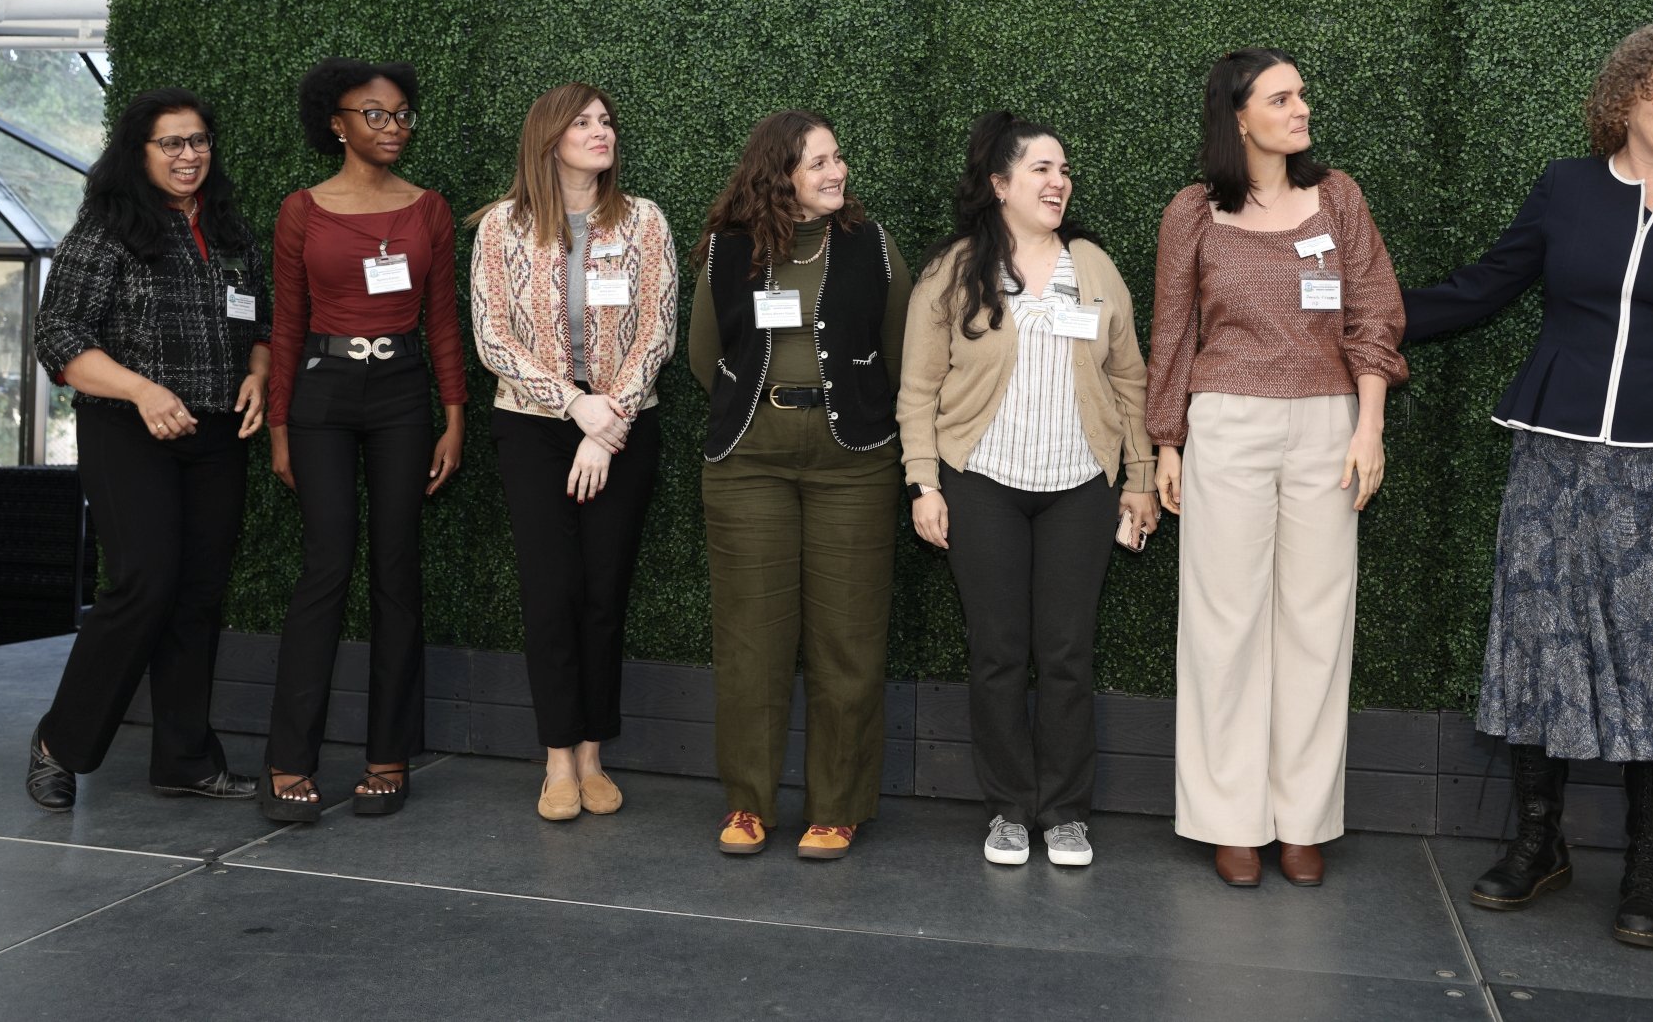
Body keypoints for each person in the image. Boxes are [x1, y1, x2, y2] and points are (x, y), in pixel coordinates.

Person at [1402, 23, 1653, 948]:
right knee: (1542, 638)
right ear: (1623, 97)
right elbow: (1481, 287)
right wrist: (1360, 315)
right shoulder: (1566, 188)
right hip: (1556, 459)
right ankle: (1537, 841)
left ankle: (1650, 865)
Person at [1147, 49, 1407, 889]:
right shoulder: (1192, 211)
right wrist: (1166, 441)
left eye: (1301, 95)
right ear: (1238, 117)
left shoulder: (1339, 197)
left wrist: (1368, 426)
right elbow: (1172, 333)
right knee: (1222, 623)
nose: (1301, 108)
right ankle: (1229, 819)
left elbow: (1374, 314)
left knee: (1316, 623)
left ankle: (1302, 820)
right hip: (1225, 423)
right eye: (1281, 97)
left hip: (1328, 424)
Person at [899, 112, 1159, 868]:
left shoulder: (1093, 266)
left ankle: (1066, 814)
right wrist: (923, 482)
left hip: (1080, 486)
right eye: (1041, 168)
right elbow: (918, 388)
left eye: (1064, 170)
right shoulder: (954, 271)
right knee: (998, 653)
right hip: (980, 483)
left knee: (1068, 653)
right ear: (1000, 183)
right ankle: (1009, 809)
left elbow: (1130, 380)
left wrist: (1139, 478)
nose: (1058, 182)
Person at [26, 87, 269, 810]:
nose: (189, 155)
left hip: (218, 434)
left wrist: (258, 374)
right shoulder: (107, 227)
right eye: (172, 143)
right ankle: (59, 744)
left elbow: (262, 322)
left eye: (199, 141)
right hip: (127, 431)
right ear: (139, 152)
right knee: (144, 583)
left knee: (198, 594)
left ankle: (185, 760)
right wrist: (142, 390)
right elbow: (58, 335)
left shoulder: (229, 230)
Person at [688, 110, 910, 860]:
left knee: (848, 639)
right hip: (748, 464)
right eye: (818, 162)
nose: (836, 171)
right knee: (750, 641)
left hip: (855, 465)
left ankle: (836, 807)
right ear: (777, 173)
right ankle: (748, 804)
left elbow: (901, 352)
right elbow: (706, 354)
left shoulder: (872, 245)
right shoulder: (727, 249)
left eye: (837, 158)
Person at [259, 57, 467, 821]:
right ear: (336, 124)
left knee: (396, 568)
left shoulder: (429, 209)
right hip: (322, 391)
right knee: (327, 565)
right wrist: (279, 426)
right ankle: (288, 760)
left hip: (403, 393)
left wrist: (454, 416)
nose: (393, 126)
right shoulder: (301, 210)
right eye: (374, 114)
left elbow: (442, 321)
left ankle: (389, 756)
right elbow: (286, 325)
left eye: (402, 113)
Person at [469, 82, 677, 821]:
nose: (601, 132)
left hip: (622, 423)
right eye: (583, 122)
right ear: (548, 138)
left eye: (606, 121)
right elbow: (493, 337)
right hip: (533, 426)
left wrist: (605, 420)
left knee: (603, 591)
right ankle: (557, 756)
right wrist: (573, 406)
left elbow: (658, 328)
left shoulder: (644, 219)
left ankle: (593, 753)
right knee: (550, 591)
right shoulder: (501, 226)